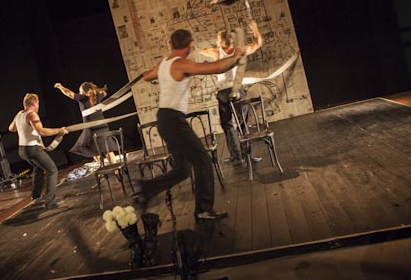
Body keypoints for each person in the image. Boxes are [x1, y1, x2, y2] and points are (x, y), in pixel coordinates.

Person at [137, 29, 250, 220]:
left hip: (164, 120)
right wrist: (236, 56)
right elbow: (217, 68)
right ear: (189, 46)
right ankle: (203, 210)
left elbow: (148, 76)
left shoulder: (164, 62)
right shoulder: (181, 63)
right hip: (173, 121)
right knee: (203, 161)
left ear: (171, 45)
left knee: (182, 170)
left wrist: (152, 72)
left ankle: (147, 189)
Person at [200, 20, 264, 163]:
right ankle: (248, 155)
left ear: (221, 41)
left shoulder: (216, 52)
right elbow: (258, 43)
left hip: (223, 92)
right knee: (243, 124)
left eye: (218, 40)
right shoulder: (238, 51)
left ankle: (237, 156)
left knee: (227, 125)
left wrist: (214, 48)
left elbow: (202, 51)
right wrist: (255, 29)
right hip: (237, 90)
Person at [9, 93, 68, 208]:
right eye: (38, 103)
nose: (38, 106)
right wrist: (59, 130)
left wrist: (24, 129)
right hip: (32, 149)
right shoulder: (32, 115)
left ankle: (35, 197)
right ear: (34, 103)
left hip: (22, 150)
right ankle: (50, 201)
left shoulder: (19, 114)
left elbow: (11, 128)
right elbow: (41, 131)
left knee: (39, 168)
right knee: (52, 170)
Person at [54, 81, 117, 165]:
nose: (79, 93)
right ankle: (115, 168)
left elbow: (69, 93)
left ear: (84, 91)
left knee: (90, 149)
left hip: (91, 129)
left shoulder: (83, 98)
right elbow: (104, 93)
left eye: (80, 91)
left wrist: (60, 87)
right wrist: (97, 91)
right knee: (107, 149)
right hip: (102, 126)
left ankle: (103, 166)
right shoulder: (98, 95)